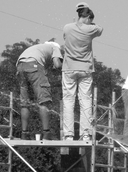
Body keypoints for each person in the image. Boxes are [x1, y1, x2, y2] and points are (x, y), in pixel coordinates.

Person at [61, 2, 103, 141]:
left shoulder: (67, 27)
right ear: (89, 17)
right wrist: (90, 22)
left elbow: (66, 38)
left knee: (68, 101)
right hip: (85, 69)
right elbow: (100, 29)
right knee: (85, 101)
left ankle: (68, 134)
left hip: (68, 68)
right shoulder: (91, 30)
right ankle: (86, 133)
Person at [16, 41, 63, 140]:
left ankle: (24, 134)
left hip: (20, 66)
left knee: (25, 102)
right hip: (34, 64)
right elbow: (57, 65)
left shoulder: (39, 47)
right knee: (44, 100)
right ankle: (46, 134)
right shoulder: (55, 48)